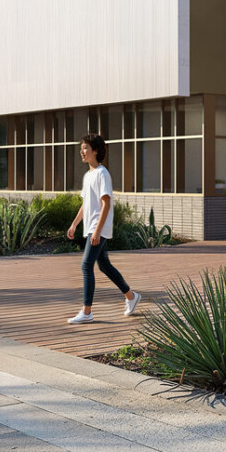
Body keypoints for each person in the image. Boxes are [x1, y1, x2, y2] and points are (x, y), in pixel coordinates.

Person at [66, 134, 138, 324]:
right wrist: (74, 224)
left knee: (86, 265)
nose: (82, 152)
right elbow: (86, 204)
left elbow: (106, 204)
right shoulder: (88, 175)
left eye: (85, 148)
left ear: (95, 151)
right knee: (104, 265)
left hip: (98, 226)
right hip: (91, 225)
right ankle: (131, 296)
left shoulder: (102, 174)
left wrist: (97, 231)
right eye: (81, 148)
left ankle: (87, 312)